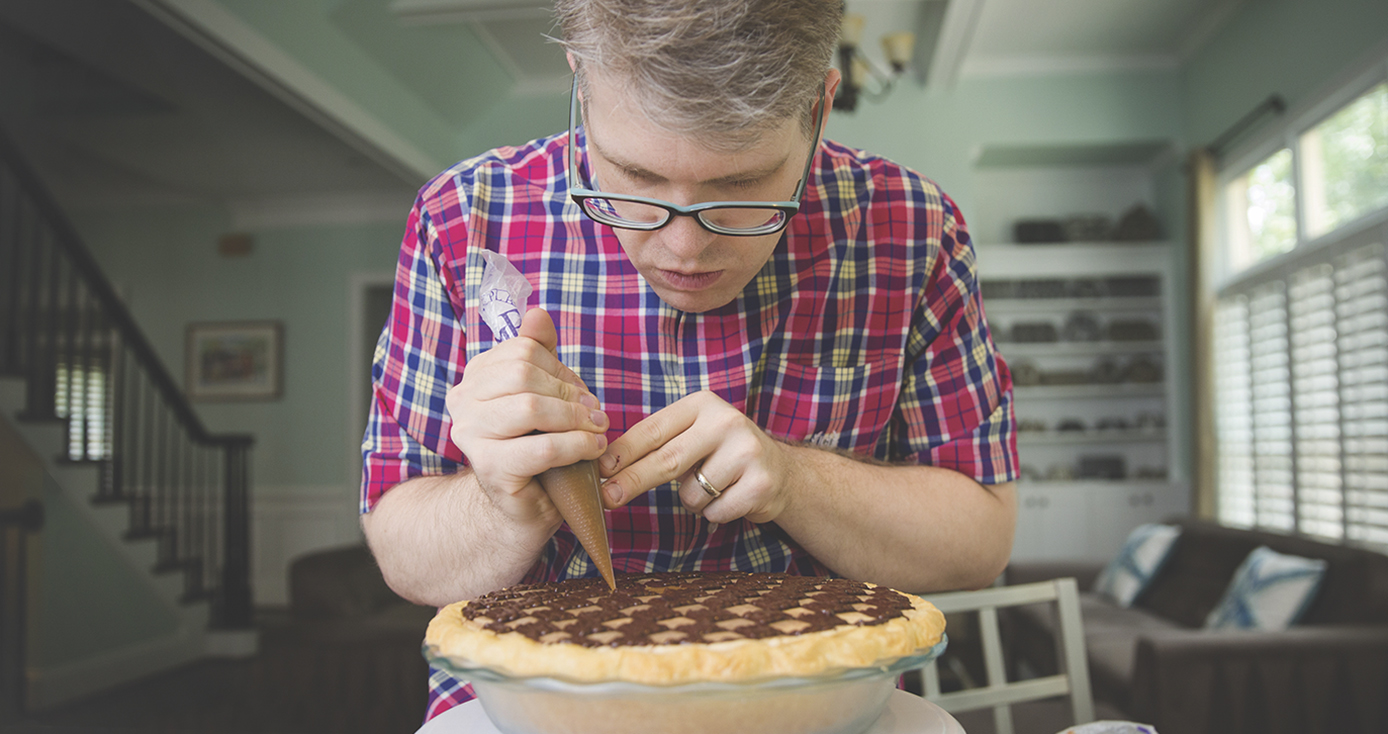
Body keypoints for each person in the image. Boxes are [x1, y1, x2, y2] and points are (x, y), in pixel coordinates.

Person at [361, 0, 1017, 720]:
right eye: (634, 178)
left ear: (820, 109)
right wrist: (503, 507)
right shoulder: (463, 216)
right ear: (580, 83)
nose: (682, 250)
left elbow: (980, 541)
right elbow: (403, 552)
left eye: (739, 189)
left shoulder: (914, 230)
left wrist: (796, 481)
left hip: (820, 711)